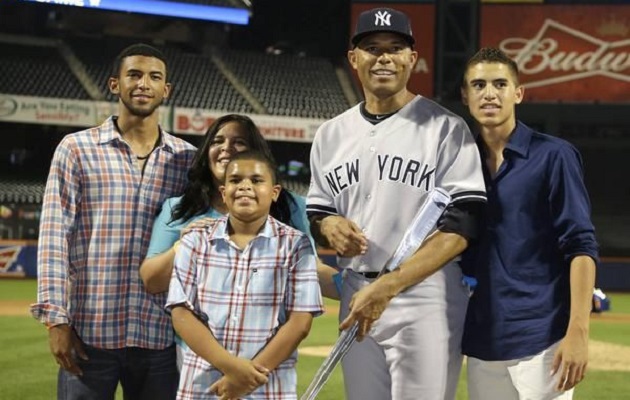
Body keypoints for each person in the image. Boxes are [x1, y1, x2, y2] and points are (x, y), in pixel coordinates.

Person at [306, 7, 486, 400]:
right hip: (356, 292)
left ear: (411, 58)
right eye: (371, 47)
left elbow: (463, 226)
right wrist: (328, 224)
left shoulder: (446, 129)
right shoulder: (330, 134)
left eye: (395, 48)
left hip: (424, 296)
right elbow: (317, 208)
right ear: (354, 59)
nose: (383, 57)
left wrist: (390, 286)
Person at [30, 43, 196, 399]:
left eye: (154, 77)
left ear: (166, 90)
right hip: (91, 334)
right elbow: (54, 236)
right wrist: (56, 319)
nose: (143, 84)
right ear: (114, 84)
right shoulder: (76, 148)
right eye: (134, 75)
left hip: (160, 335)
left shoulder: (187, 161)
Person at [139, 114, 338, 367]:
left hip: (267, 356)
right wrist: (183, 246)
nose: (226, 149)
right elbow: (151, 280)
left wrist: (362, 287)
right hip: (195, 359)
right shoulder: (180, 209)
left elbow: (314, 272)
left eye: (239, 142)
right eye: (217, 141)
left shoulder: (289, 207)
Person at [460, 47, 598, 400]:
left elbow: (581, 245)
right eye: (478, 85)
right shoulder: (459, 164)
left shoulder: (554, 155)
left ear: (517, 93)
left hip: (543, 337)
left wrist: (578, 332)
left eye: (500, 84)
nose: (489, 93)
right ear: (466, 95)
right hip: (482, 339)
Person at [166, 150, 323, 400]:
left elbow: (299, 323)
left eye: (257, 180)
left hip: (269, 387)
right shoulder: (194, 241)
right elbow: (181, 313)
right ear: (223, 192)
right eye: (236, 180)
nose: (245, 186)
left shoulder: (296, 244)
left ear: (275, 193)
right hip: (203, 385)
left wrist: (247, 379)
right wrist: (233, 368)